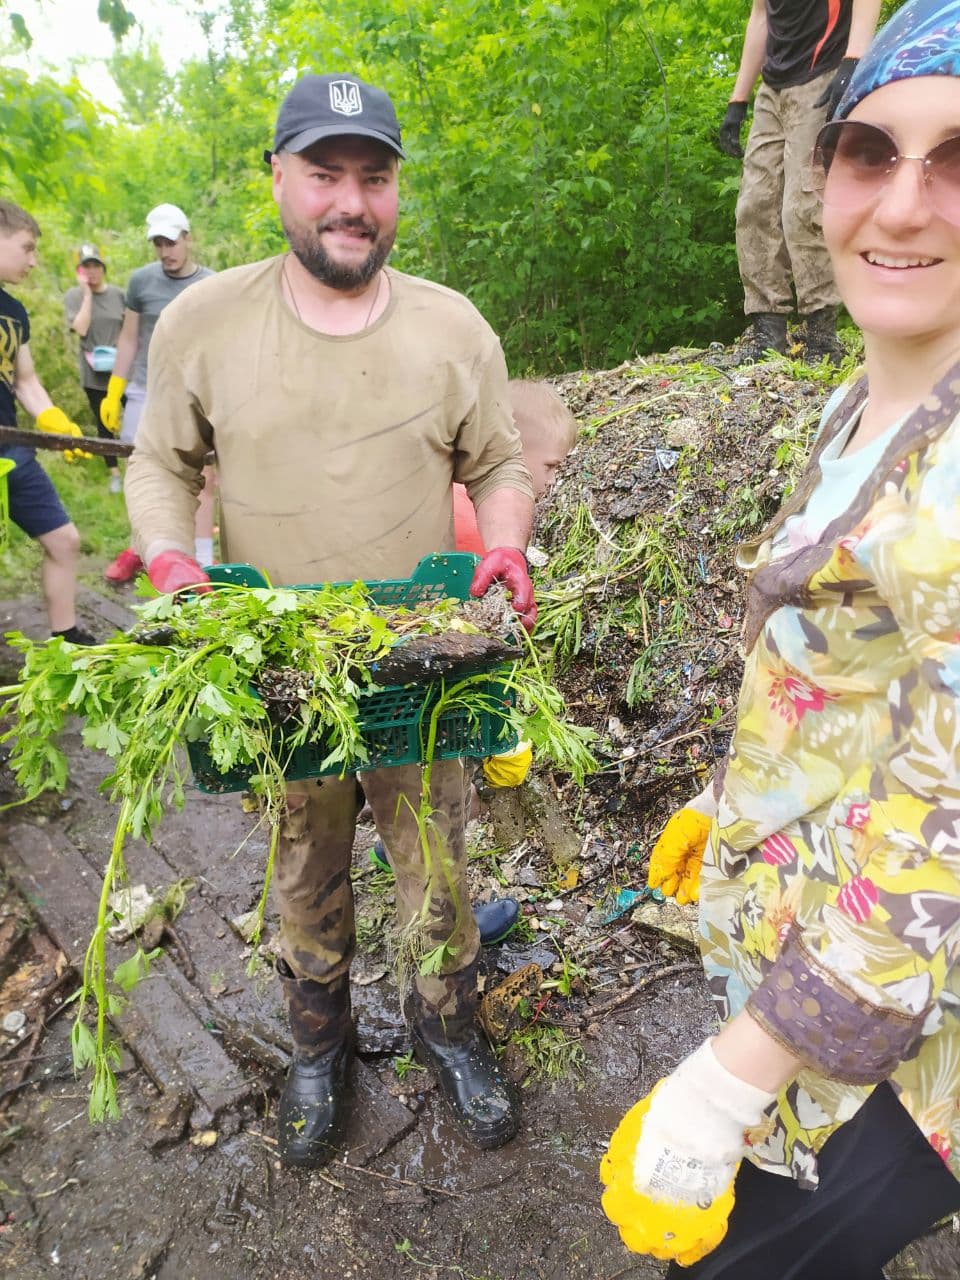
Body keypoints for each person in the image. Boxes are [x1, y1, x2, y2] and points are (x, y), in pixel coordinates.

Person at [124, 72, 537, 1167]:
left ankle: (449, 1029)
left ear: (397, 188)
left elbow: (499, 461)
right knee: (305, 866)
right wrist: (172, 558)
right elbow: (160, 464)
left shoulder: (453, 327)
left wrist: (503, 541)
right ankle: (319, 1046)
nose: (350, 200)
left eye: (373, 176)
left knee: (437, 861)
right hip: (288, 665)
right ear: (277, 179)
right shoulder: (207, 321)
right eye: (324, 173)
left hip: (423, 659)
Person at [605, 5, 960, 1275]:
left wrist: (726, 1079)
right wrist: (730, 791)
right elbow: (858, 669)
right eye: (872, 151)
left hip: (916, 1041)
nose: (905, 205)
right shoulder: (864, 399)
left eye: (959, 161)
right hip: (819, 935)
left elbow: (944, 830)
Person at [371, 377, 579, 946]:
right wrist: (505, 717)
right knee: (445, 798)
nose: (554, 481)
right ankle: (450, 925)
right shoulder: (481, 529)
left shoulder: (449, 499)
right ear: (512, 451)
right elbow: (479, 637)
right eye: (553, 466)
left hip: (399, 683)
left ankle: (394, 849)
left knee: (405, 786)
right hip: (439, 694)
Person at [718, 0, 881, 364]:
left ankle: (822, 336)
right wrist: (738, 100)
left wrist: (852, 63)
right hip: (772, 87)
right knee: (753, 204)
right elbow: (760, 15)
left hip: (820, 76)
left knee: (802, 204)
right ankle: (766, 329)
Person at [100, 204, 215, 583]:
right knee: (145, 474)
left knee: (202, 476)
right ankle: (144, 547)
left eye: (172, 241)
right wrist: (114, 389)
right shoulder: (141, 282)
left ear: (188, 238)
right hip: (145, 388)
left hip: (195, 394)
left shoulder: (212, 285)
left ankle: (201, 558)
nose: (166, 251)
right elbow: (129, 337)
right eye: (158, 243)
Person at [0, 201, 95, 646]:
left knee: (64, 540)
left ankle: (66, 638)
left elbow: (26, 380)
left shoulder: (14, 311)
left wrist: (54, 419)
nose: (33, 260)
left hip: (9, 449)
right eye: (26, 248)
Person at [63, 243, 125, 493]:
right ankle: (114, 473)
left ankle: (138, 469)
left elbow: (130, 328)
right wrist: (87, 295)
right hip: (93, 372)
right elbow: (81, 328)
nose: (92, 271)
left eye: (96, 265)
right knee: (103, 424)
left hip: (121, 370)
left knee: (133, 417)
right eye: (86, 266)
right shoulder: (73, 297)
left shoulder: (119, 295)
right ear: (79, 270)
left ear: (103, 267)